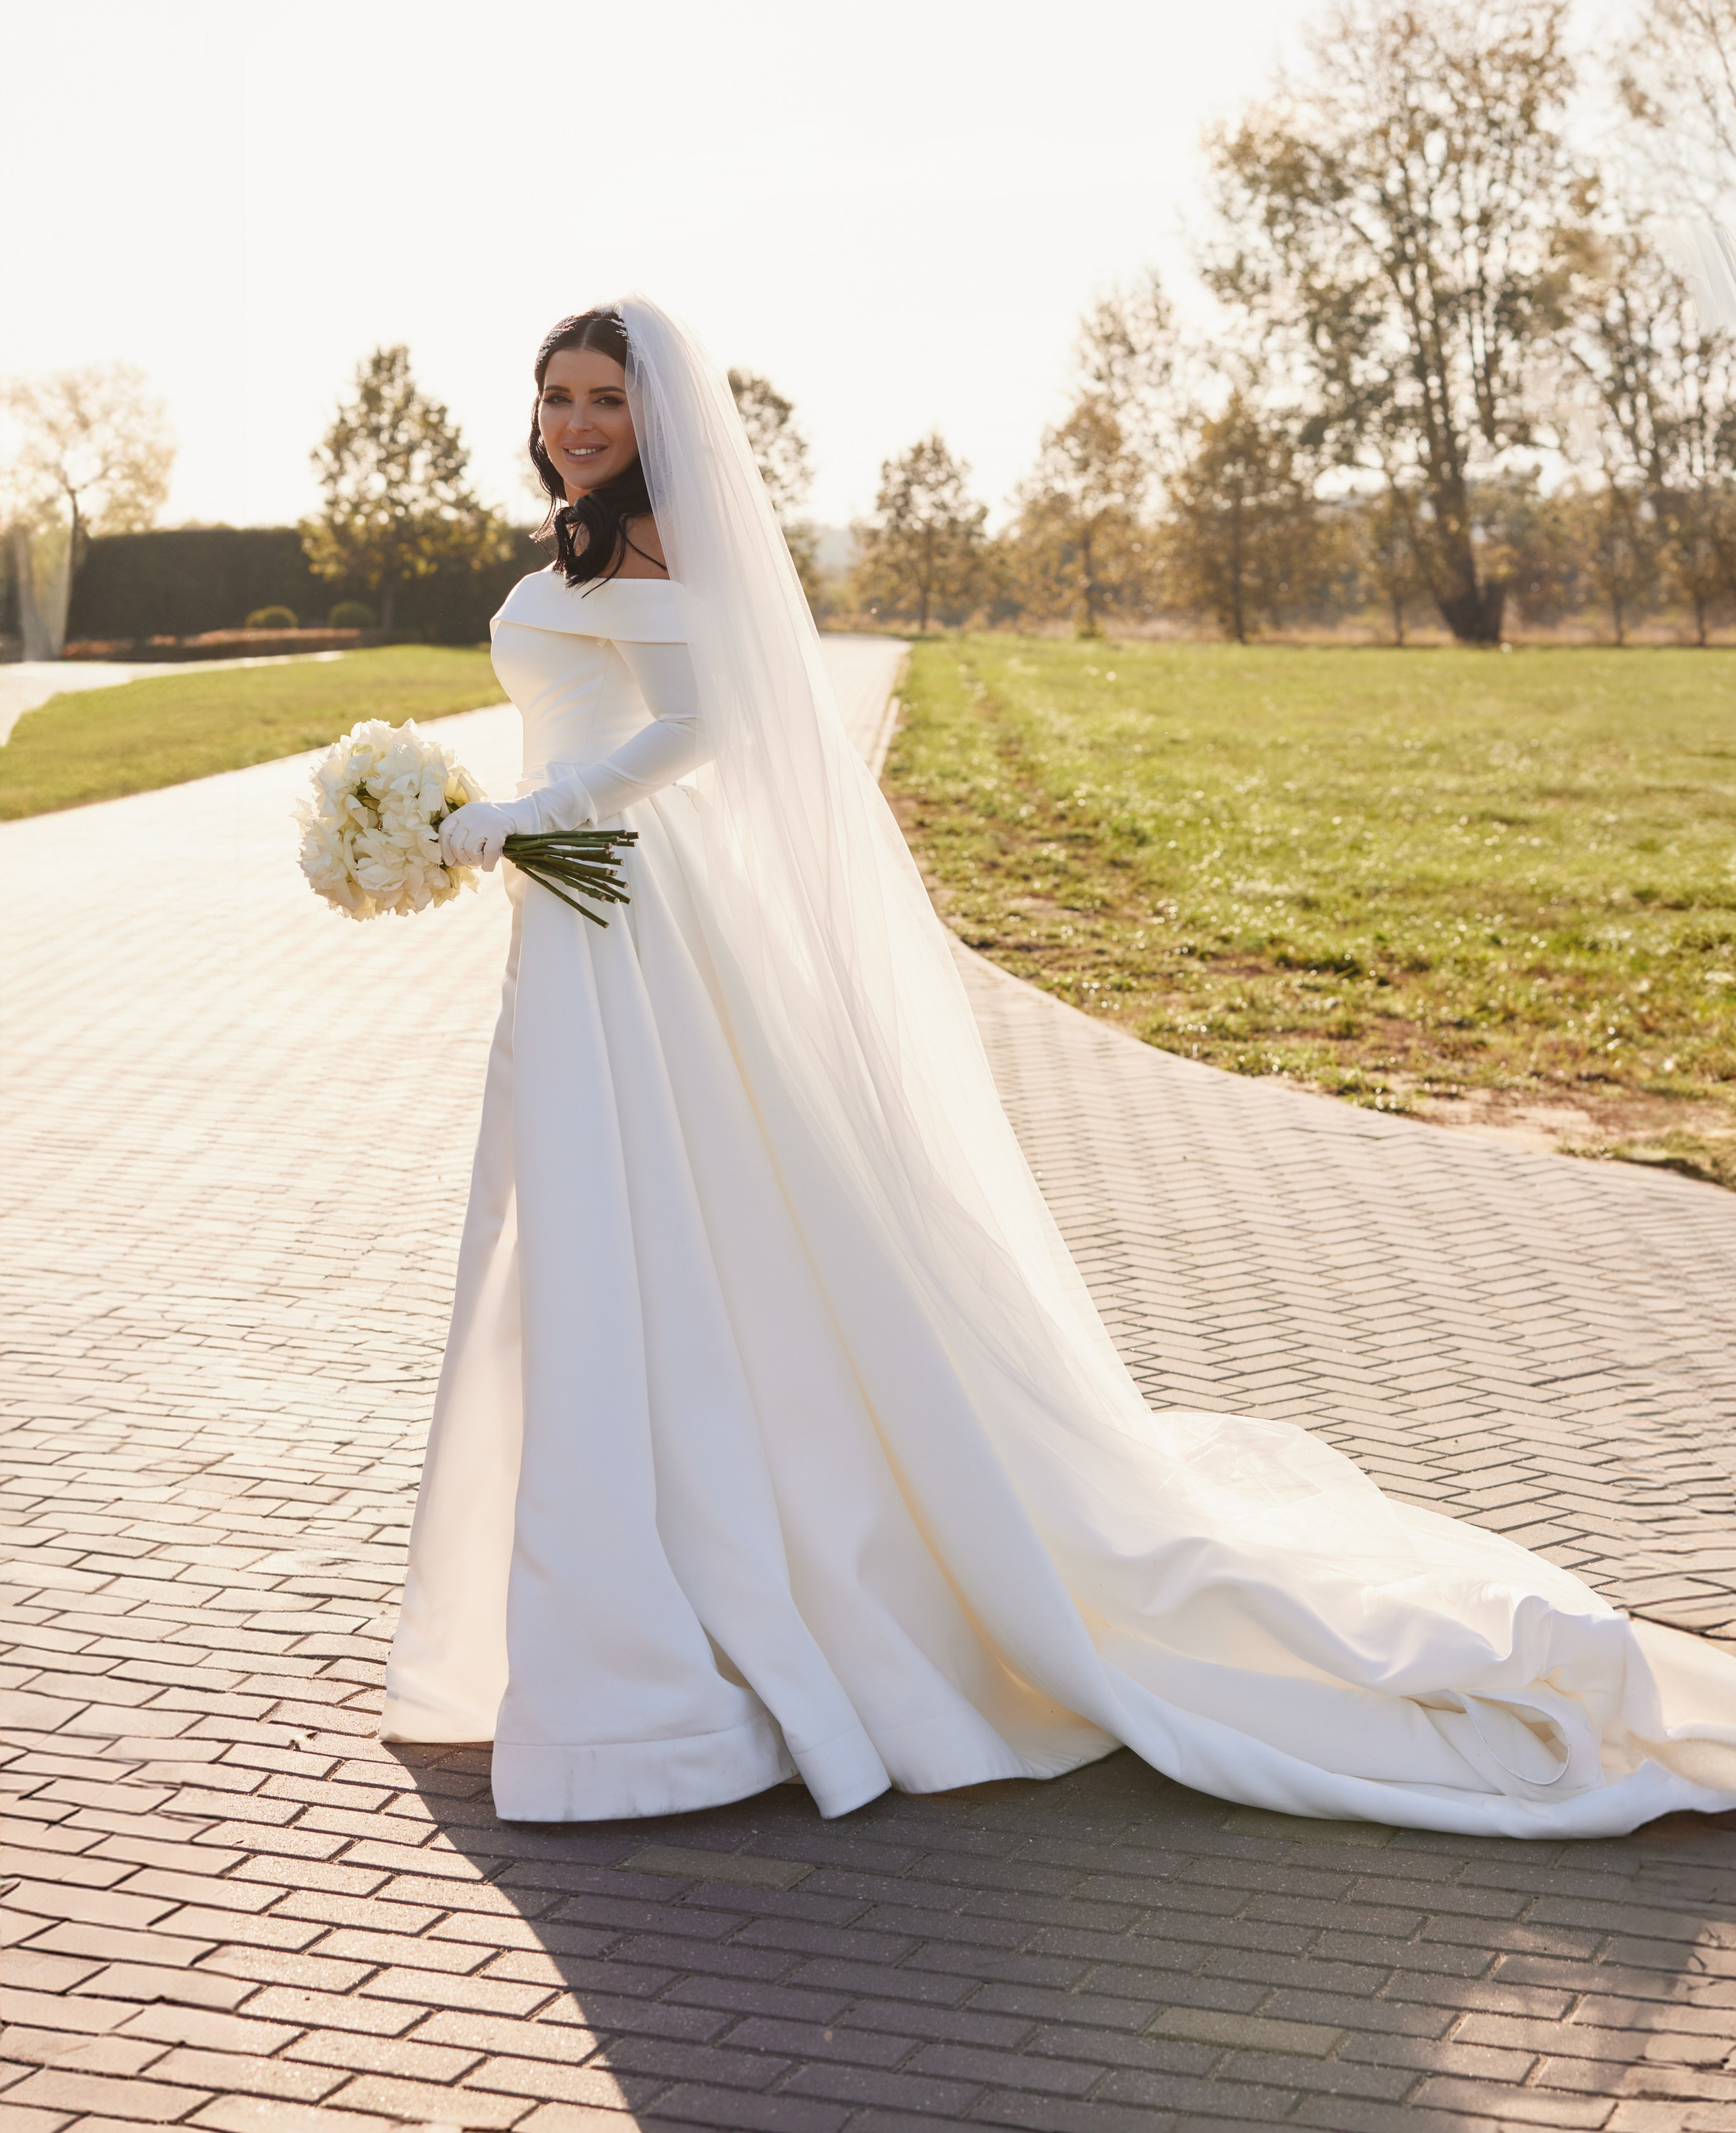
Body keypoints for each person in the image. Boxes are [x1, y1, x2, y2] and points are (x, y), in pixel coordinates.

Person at [382, 294, 1736, 1837]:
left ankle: (703, 1624)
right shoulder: (578, 552)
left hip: (612, 898)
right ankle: (647, 1579)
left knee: (665, 1231)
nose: (575, 422)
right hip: (582, 911)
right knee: (595, 1234)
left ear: (654, 420)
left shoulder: (650, 558)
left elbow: (691, 725)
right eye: (557, 395)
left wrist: (517, 820)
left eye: (604, 399)